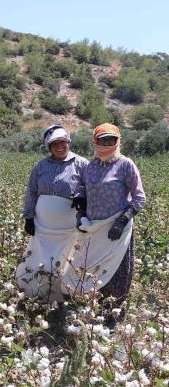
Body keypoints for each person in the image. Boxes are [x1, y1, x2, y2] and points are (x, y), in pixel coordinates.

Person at [69, 123, 146, 329]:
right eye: (102, 140)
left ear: (118, 141)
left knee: (117, 272)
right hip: (94, 228)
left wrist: (122, 221)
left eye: (110, 140)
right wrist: (79, 201)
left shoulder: (125, 165)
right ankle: (92, 315)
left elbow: (139, 198)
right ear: (95, 141)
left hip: (116, 229)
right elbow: (82, 186)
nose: (106, 144)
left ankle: (112, 318)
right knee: (93, 268)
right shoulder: (90, 166)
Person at [15, 125, 89, 303]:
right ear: (49, 147)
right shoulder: (41, 166)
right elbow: (32, 191)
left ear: (68, 142)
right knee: (40, 255)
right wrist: (28, 217)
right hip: (43, 224)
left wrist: (83, 198)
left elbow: (90, 188)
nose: (59, 147)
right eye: (54, 144)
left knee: (64, 257)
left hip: (68, 225)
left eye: (62, 142)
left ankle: (60, 294)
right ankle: (36, 291)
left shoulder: (82, 164)